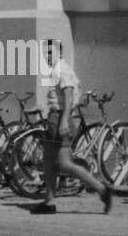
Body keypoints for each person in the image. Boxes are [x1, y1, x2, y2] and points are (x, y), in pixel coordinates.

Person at [34, 38, 111, 214]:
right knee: (48, 161)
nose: (47, 56)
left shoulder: (62, 71)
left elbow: (68, 97)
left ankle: (102, 190)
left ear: (59, 53)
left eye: (51, 52)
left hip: (61, 118)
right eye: (45, 53)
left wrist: (62, 121)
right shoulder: (58, 70)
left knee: (64, 164)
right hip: (57, 117)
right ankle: (49, 202)